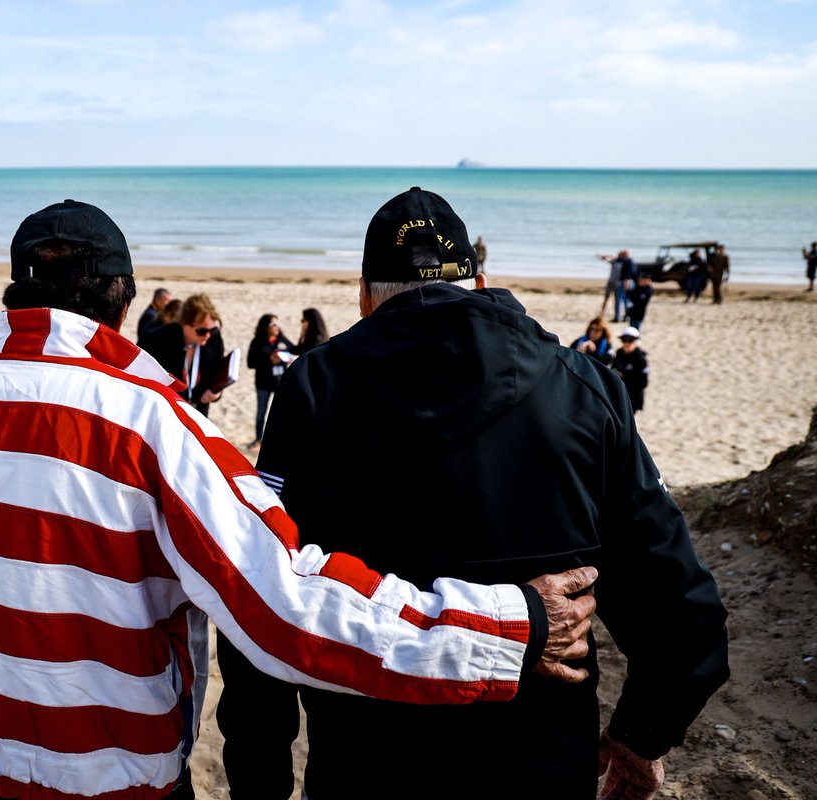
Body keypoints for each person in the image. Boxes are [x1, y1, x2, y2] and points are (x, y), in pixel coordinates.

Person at [0, 198, 599, 800]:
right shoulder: (154, 424)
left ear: (17, 290)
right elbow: (283, 602)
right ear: (123, 300)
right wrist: (508, 626)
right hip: (110, 771)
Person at [218, 187, 728, 799]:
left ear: (365, 295)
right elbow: (681, 608)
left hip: (367, 762)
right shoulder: (583, 388)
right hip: (538, 762)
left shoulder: (312, 391)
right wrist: (642, 736)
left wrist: (259, 778)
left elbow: (260, 587)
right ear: (480, 282)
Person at [140, 293, 227, 417]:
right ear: (185, 323)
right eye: (201, 331)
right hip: (167, 414)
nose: (207, 335)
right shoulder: (159, 340)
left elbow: (218, 372)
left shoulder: (214, 338)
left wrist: (217, 393)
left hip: (199, 412)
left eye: (211, 330)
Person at [246, 314, 295, 451]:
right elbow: (250, 363)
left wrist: (288, 358)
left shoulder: (282, 340)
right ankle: (258, 440)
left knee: (281, 412)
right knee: (261, 412)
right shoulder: (257, 342)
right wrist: (269, 360)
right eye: (273, 324)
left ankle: (279, 441)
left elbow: (295, 350)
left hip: (280, 382)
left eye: (277, 324)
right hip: (263, 383)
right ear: (265, 327)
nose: (276, 327)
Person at [612, 327, 649, 413]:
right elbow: (613, 369)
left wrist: (625, 377)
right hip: (618, 395)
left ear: (637, 342)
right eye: (624, 340)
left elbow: (643, 382)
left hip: (632, 398)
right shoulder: (619, 353)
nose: (626, 343)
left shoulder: (640, 359)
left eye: (630, 340)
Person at [599, 249, 636, 322]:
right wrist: (605, 256)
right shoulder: (618, 261)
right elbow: (608, 259)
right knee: (617, 300)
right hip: (616, 282)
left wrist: (627, 281)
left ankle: (622, 317)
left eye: (622, 255)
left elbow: (629, 273)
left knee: (621, 300)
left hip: (622, 283)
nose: (620, 256)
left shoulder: (627, 262)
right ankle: (614, 316)